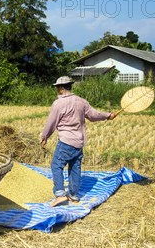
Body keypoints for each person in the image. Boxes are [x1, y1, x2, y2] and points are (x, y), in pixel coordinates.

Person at [39, 76, 116, 206]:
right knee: (75, 168)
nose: (57, 90)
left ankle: (59, 194)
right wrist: (108, 115)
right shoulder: (81, 101)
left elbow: (51, 122)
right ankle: (74, 195)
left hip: (66, 142)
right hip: (79, 142)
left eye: (57, 87)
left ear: (61, 88)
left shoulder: (58, 103)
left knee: (56, 166)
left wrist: (44, 136)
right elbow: (94, 115)